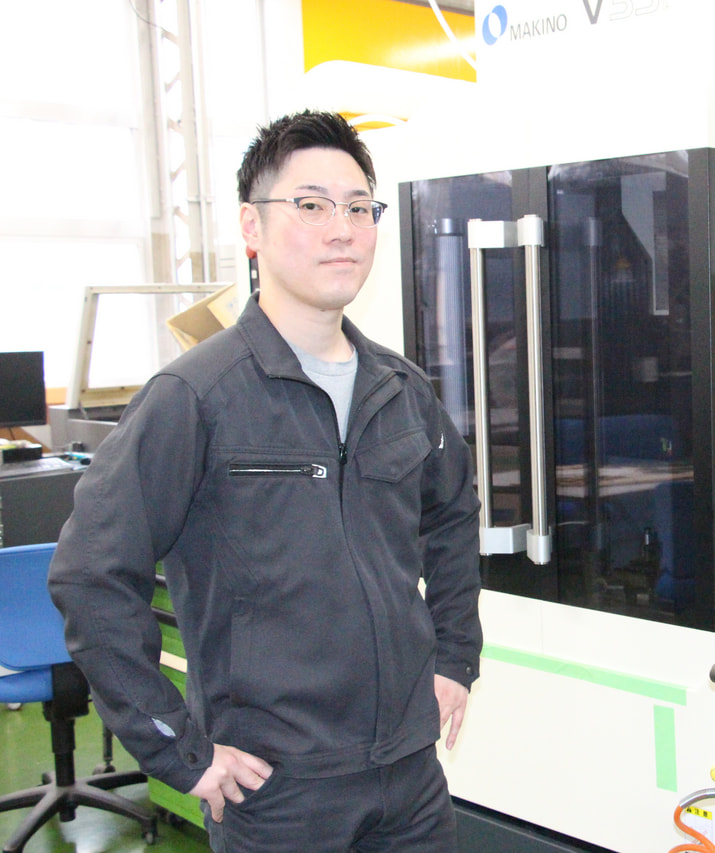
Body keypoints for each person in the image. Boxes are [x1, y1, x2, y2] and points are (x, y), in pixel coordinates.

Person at [49, 110, 482, 852]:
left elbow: (452, 514)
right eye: (312, 205)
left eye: (359, 208)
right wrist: (178, 748)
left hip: (411, 778)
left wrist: (454, 657)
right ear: (252, 226)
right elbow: (91, 574)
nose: (342, 230)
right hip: (278, 791)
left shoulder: (401, 389)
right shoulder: (196, 397)